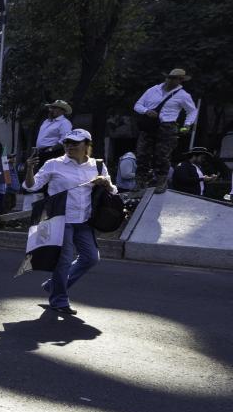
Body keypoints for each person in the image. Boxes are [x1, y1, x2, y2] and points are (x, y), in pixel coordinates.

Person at [23, 129, 115, 315]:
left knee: (91, 258)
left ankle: (53, 285)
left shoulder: (97, 166)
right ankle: (59, 300)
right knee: (63, 261)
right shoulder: (54, 164)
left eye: (75, 143)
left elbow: (113, 191)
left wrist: (105, 183)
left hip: (85, 221)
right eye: (67, 143)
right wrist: (29, 169)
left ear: (87, 145)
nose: (70, 146)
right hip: (60, 219)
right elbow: (31, 186)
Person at [133, 68, 197, 192]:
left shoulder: (183, 95)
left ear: (180, 80)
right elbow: (137, 105)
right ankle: (140, 182)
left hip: (167, 127)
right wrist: (146, 111)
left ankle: (161, 182)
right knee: (142, 155)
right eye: (170, 77)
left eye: (175, 78)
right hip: (150, 125)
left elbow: (192, 111)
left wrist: (187, 124)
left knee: (162, 156)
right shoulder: (152, 90)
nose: (171, 80)